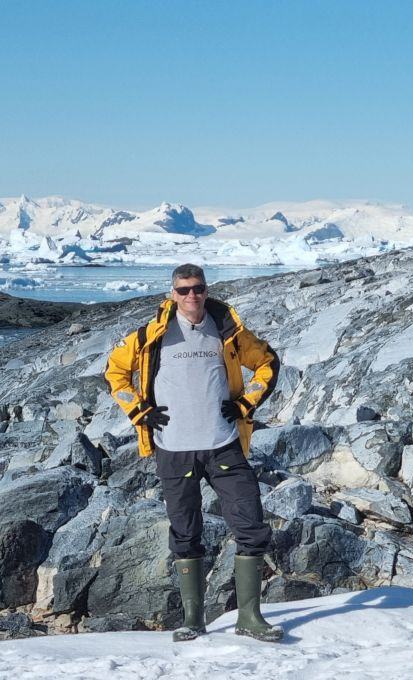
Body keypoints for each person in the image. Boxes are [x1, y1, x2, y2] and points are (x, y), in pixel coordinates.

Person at [104, 263, 283, 642]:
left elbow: (267, 362)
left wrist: (247, 404)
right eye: (183, 290)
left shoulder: (226, 329)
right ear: (172, 293)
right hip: (174, 450)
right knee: (186, 533)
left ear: (206, 289)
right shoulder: (151, 334)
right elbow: (114, 373)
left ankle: (250, 617)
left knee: (250, 525)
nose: (191, 296)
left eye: (197, 288)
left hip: (223, 445)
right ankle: (192, 619)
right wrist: (138, 410)